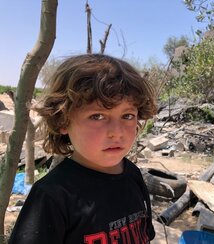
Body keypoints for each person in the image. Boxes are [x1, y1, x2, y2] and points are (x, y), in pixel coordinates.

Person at [9, 54, 157, 244]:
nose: (117, 132)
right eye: (97, 116)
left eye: (127, 116)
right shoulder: (52, 196)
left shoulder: (133, 176)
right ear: (63, 120)